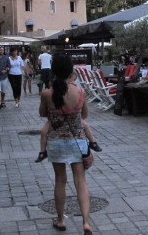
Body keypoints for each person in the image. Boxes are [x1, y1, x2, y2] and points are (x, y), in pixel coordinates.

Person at [39, 54, 93, 234]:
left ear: (53, 71)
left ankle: (61, 220)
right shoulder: (80, 92)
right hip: (78, 142)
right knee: (81, 181)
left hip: (56, 142)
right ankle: (86, 222)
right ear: (71, 71)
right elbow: (84, 115)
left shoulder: (47, 93)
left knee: (60, 181)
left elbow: (42, 113)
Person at [35, 69, 102, 162]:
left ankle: (93, 142)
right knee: (43, 131)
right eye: (72, 80)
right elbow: (84, 114)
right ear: (69, 77)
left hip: (60, 124)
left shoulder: (52, 91)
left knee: (85, 125)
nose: (72, 82)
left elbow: (42, 113)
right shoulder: (76, 90)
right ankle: (42, 152)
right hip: (63, 123)